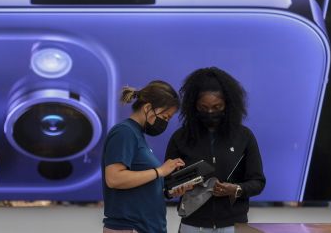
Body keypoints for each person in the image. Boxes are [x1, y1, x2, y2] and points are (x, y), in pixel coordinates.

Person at [165, 67, 266, 233]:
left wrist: (237, 190)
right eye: (203, 108)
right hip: (192, 225)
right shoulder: (180, 138)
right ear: (193, 106)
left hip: (233, 225)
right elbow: (166, 185)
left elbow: (258, 182)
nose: (210, 112)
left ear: (228, 104)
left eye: (217, 107)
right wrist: (176, 190)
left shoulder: (244, 136)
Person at [102, 80, 190, 233]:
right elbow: (114, 178)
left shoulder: (137, 134)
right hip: (130, 227)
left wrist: (168, 191)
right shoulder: (124, 133)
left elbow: (141, 185)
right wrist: (160, 171)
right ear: (148, 108)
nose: (165, 122)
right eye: (165, 117)